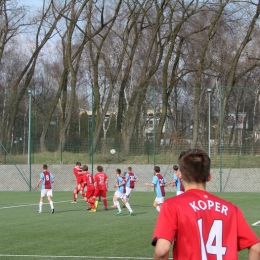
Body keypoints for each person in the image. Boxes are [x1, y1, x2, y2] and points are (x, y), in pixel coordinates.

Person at [152, 149, 260, 260]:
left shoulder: (172, 206)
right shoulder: (232, 209)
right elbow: (256, 248)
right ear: (209, 177)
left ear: (179, 175)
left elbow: (161, 251)